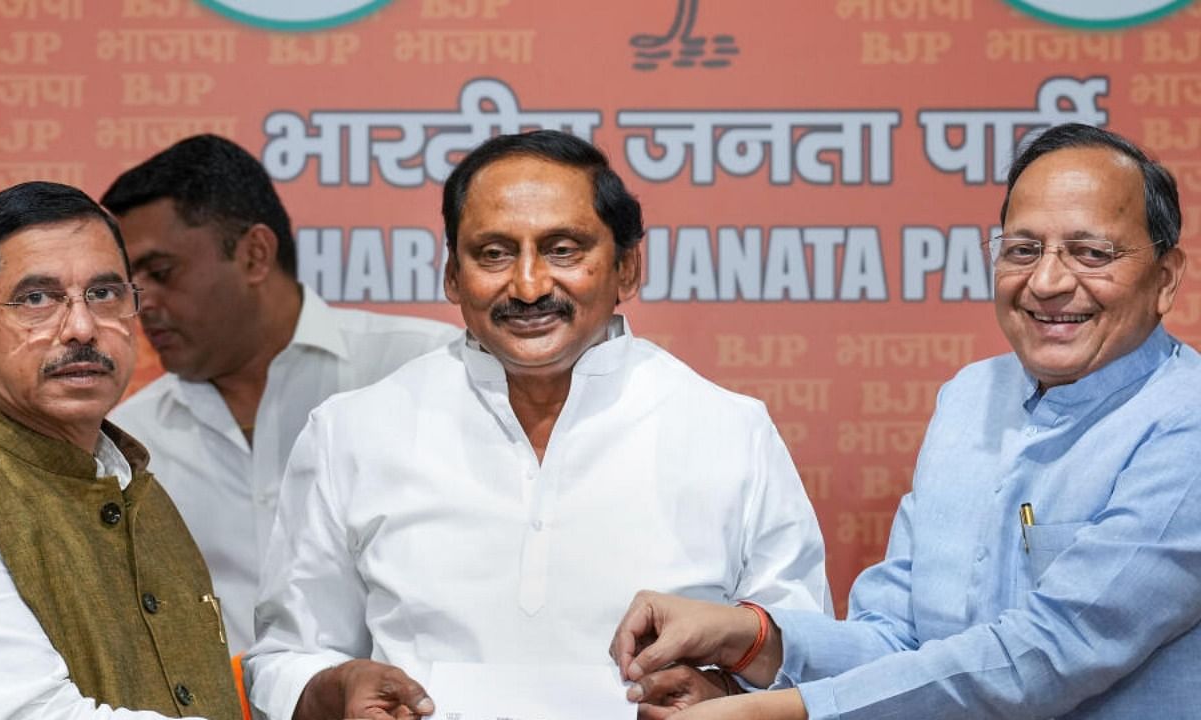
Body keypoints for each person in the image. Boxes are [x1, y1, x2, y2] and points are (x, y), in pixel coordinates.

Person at [610, 122, 1200, 719]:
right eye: (1022, 250)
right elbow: (896, 640)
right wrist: (750, 639)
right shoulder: (970, 399)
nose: (1047, 282)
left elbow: (1044, 654)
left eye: (1091, 253)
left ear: (1166, 278)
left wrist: (786, 713)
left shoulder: (1187, 423)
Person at [243, 130, 831, 720]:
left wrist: (728, 698)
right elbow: (284, 659)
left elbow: (812, 661)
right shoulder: (352, 432)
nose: (527, 286)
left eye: (563, 249)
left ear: (627, 269)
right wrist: (336, 686)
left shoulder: (730, 431)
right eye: (493, 254)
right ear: (452, 276)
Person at [102, 134, 460, 652]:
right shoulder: (127, 445)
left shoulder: (427, 372)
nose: (141, 304)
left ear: (254, 255)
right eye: (128, 284)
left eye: (160, 274)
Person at [0, 181, 243, 720]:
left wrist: (307, 693)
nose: (81, 327)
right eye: (37, 299)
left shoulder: (126, 477)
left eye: (105, 293)